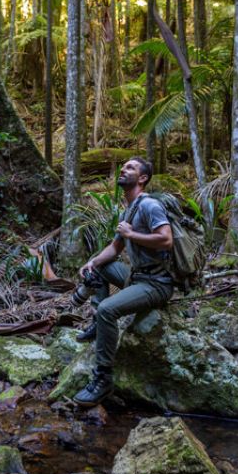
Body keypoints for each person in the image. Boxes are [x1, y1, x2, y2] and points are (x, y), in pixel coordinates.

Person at [73, 157, 174, 407]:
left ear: (142, 178)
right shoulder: (128, 208)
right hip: (136, 277)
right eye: (123, 166)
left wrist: (132, 234)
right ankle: (98, 325)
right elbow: (116, 247)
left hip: (156, 284)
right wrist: (92, 263)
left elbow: (166, 239)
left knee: (108, 310)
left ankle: (103, 378)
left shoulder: (150, 205)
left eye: (130, 168)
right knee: (102, 265)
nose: (123, 169)